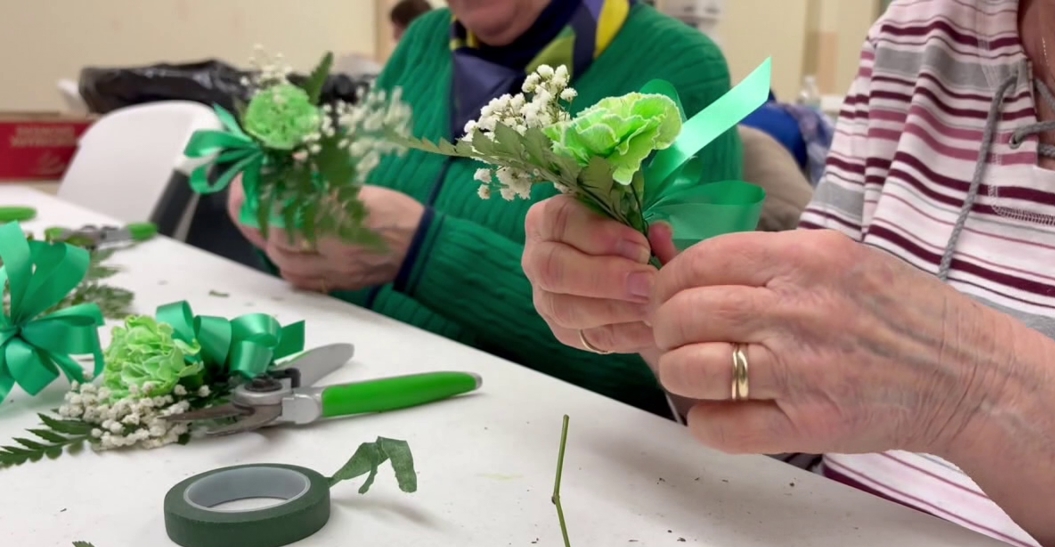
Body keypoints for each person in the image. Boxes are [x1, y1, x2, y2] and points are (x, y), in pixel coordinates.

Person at [520, 0, 1055, 547]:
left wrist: (964, 389)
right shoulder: (917, 37)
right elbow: (804, 439)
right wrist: (659, 312)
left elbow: (923, 381)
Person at [227, 0, 742, 418]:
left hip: (539, 452)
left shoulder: (679, 66)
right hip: (359, 397)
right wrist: (287, 221)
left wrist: (426, 253)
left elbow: (671, 369)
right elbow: (354, 251)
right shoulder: (426, 40)